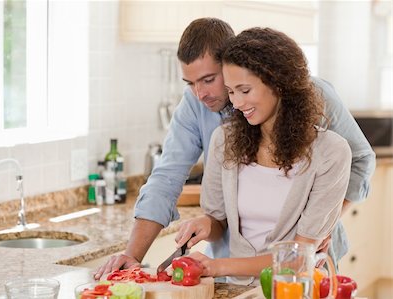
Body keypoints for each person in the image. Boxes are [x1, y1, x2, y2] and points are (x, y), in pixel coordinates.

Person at [93, 18, 375, 280]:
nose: (200, 94)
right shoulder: (207, 119)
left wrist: (322, 225)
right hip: (234, 266)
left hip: (301, 267)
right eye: (190, 83)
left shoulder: (311, 95)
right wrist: (132, 255)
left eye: (208, 80)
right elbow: (166, 178)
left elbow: (358, 161)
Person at [175, 27, 351, 284]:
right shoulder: (224, 141)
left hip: (293, 290)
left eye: (245, 91)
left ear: (278, 83)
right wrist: (205, 223)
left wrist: (217, 266)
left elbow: (300, 256)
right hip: (240, 290)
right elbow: (218, 222)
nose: (235, 103)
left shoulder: (330, 152)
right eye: (231, 91)